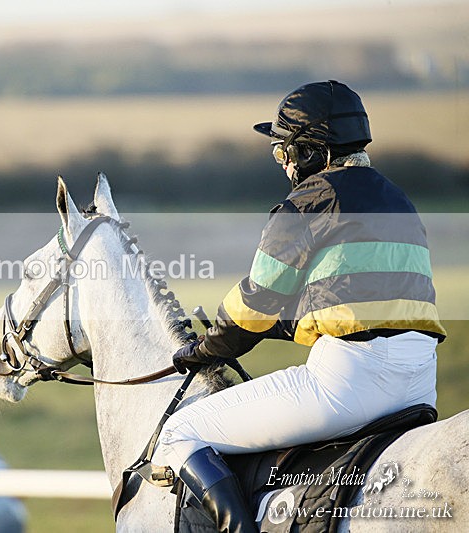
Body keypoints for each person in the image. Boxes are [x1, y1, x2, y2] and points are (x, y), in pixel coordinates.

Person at [152, 80, 446, 532]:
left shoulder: (309, 200)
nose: (283, 164)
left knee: (178, 431)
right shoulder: (398, 199)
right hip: (420, 384)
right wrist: (274, 328)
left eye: (281, 152)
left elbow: (255, 302)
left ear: (310, 153)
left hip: (348, 383)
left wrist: (205, 350)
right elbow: (350, 303)